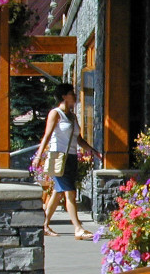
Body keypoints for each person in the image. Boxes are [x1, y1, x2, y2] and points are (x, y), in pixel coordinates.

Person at [33, 83, 101, 240]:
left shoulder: (73, 116)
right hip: (58, 157)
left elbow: (78, 139)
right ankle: (78, 228)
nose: (75, 96)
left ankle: (44, 225)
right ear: (64, 96)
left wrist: (93, 151)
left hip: (70, 157)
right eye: (72, 93)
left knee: (58, 192)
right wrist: (38, 155)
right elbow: (47, 135)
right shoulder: (55, 114)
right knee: (70, 192)